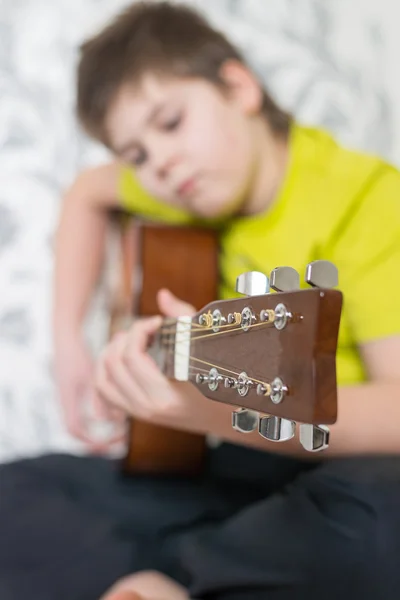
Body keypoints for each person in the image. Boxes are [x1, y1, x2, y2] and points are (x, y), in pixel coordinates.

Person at [53, 2, 400, 599]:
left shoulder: (368, 200)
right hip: (232, 470)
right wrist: (69, 348)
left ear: (238, 86)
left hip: (339, 463)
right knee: (22, 497)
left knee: (376, 520)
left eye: (169, 122)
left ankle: (178, 576)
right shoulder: (184, 186)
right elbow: (88, 191)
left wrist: (205, 410)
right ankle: (202, 571)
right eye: (134, 155)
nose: (157, 162)